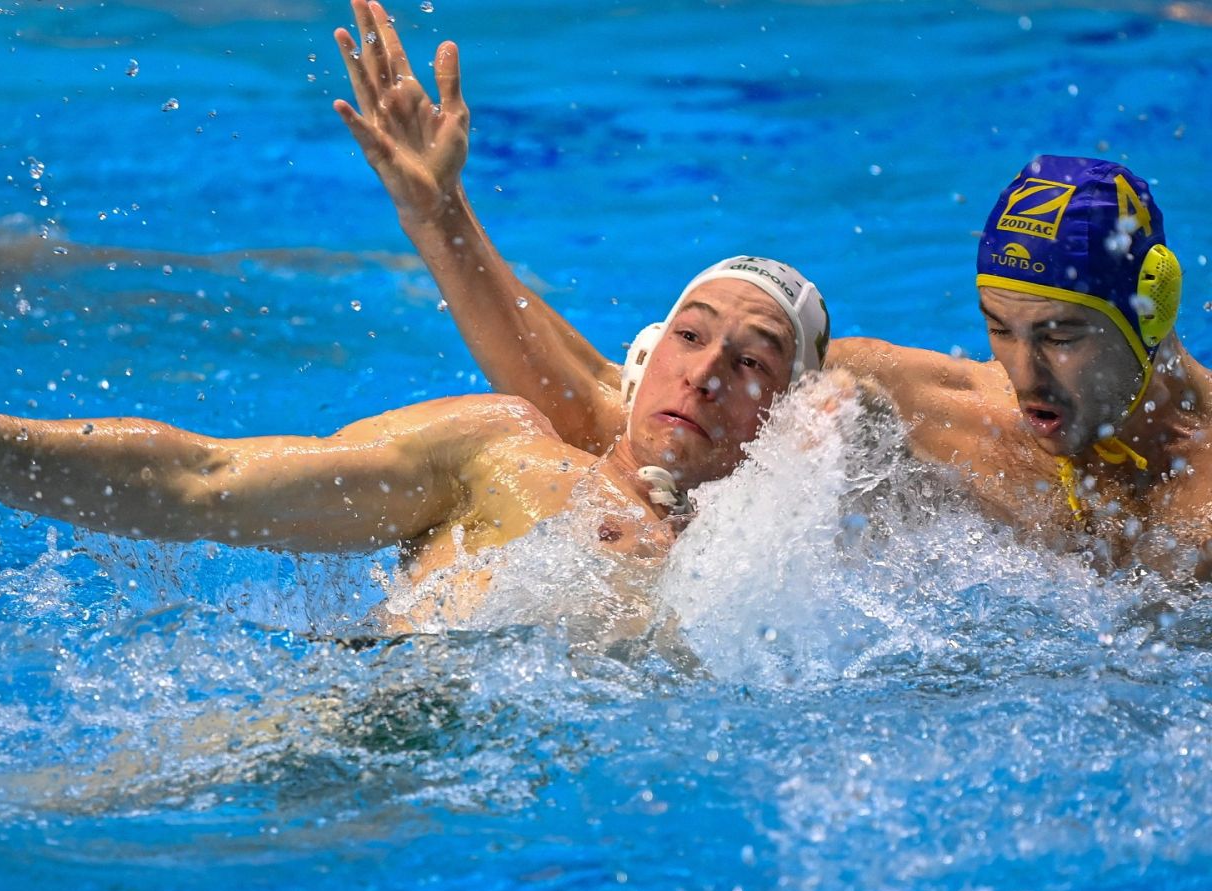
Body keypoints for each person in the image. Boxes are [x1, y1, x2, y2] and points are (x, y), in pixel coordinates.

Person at [331, 1, 1211, 582]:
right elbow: (623, 409)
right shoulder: (918, 409)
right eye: (999, 330)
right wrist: (440, 217)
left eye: (1058, 335)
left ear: (1152, 309)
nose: (1024, 375)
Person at [0, 249, 832, 634]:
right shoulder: (500, 454)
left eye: (752, 362)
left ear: (785, 421)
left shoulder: (769, 580)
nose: (706, 371)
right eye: (691, 335)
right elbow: (201, 480)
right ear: (639, 363)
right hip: (339, 739)